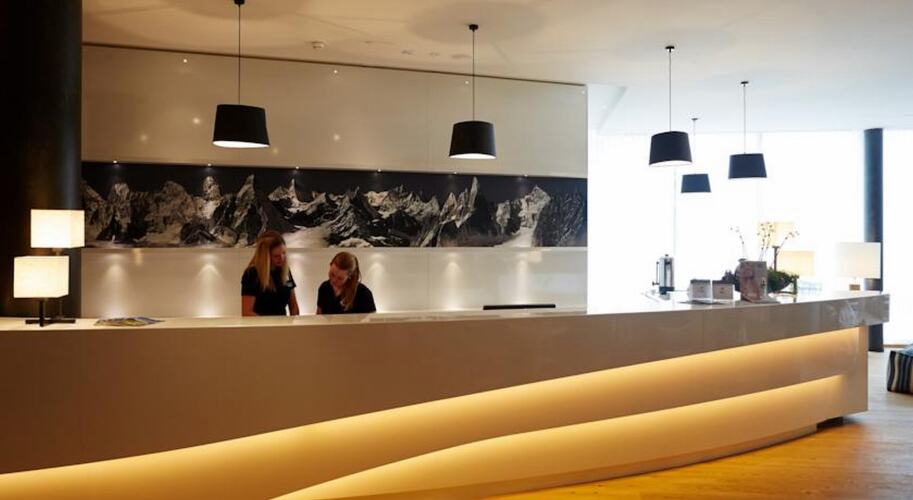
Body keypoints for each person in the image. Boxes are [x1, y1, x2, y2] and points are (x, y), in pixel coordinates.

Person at [241, 230, 300, 316]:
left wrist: (294, 322)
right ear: (265, 256)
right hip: (260, 323)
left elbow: (293, 305)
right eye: (276, 256)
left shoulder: (285, 271)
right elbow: (247, 312)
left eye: (283, 253)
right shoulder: (251, 274)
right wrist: (268, 324)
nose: (282, 258)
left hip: (283, 322)